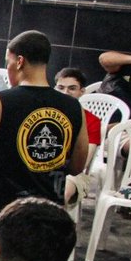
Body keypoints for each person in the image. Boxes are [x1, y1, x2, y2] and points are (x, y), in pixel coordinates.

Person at [0, 31, 90, 261]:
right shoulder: (74, 107)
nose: (8, 68)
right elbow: (76, 166)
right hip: (47, 212)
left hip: (1, 209)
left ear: (19, 61)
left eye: (8, 62)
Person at [51, 68, 100, 207]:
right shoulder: (45, 113)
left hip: (73, 173)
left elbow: (83, 162)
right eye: (61, 88)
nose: (65, 93)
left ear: (82, 91)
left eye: (72, 88)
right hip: (41, 167)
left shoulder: (91, 120)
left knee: (60, 193)